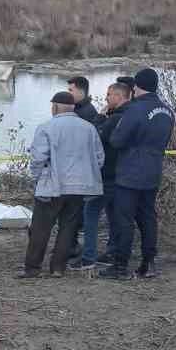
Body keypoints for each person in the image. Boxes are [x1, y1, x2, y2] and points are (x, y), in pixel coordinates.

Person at [99, 66, 175, 282]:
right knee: (148, 218)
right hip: (152, 171)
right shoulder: (167, 110)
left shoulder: (134, 109)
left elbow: (117, 140)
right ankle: (148, 263)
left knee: (124, 220)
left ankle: (120, 265)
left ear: (136, 87)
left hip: (130, 172)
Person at [18, 91, 104, 279]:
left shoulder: (46, 127)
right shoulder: (89, 128)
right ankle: (58, 268)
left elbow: (38, 158)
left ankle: (32, 268)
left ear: (55, 107)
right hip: (79, 187)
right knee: (68, 228)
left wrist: (37, 177)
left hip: (53, 186)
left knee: (41, 228)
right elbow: (99, 158)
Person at [68, 75, 134, 271]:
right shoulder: (132, 115)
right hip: (122, 174)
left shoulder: (114, 118)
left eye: (108, 95)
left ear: (118, 96)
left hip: (106, 174)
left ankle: (88, 257)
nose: (105, 99)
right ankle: (113, 251)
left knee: (91, 213)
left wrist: (101, 117)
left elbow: (94, 135)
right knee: (114, 215)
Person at [65, 75, 103, 266]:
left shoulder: (87, 112)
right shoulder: (77, 109)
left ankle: (74, 247)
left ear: (81, 91)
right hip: (74, 168)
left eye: (71, 90)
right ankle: (70, 245)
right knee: (71, 210)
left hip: (80, 170)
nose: (68, 93)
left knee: (75, 211)